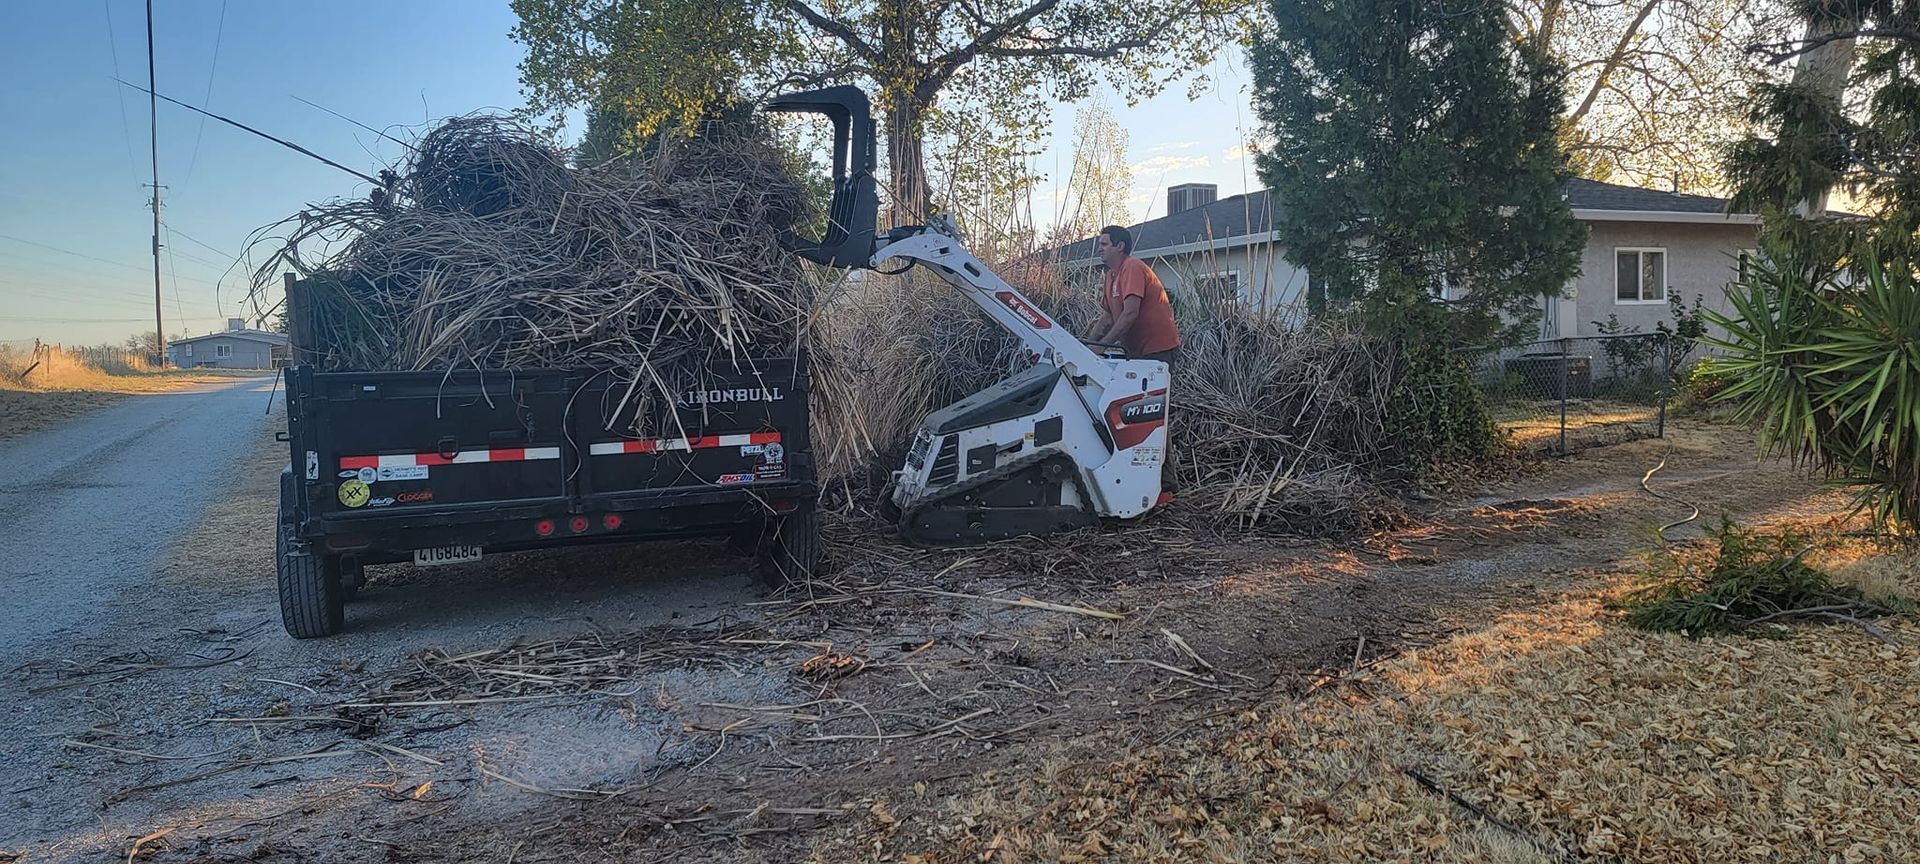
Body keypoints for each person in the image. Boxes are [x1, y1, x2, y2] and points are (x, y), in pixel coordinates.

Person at [1086, 225, 1181, 364]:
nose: (1099, 249)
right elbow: (1108, 317)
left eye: (1104, 244)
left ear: (1120, 246)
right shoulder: (1110, 275)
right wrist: (1089, 344)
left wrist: (1103, 345)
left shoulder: (1132, 267)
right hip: (1136, 351)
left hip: (1157, 350)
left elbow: (1130, 313)